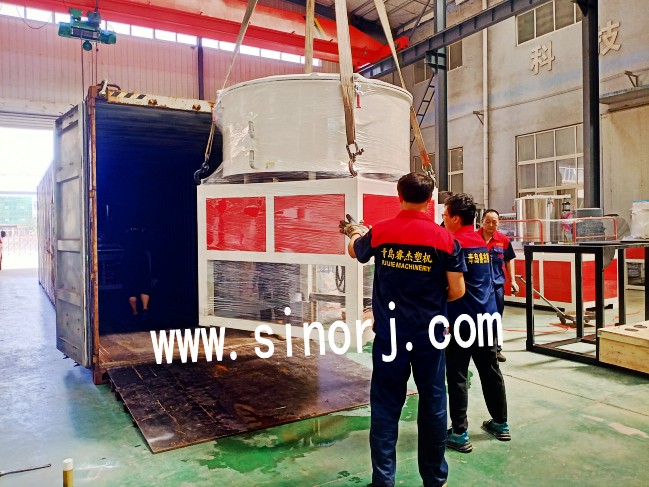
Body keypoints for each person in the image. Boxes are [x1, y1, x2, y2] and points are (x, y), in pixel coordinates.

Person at [340, 172, 465, 487]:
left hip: (390, 336)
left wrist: (355, 232)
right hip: (430, 336)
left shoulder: (382, 231)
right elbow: (457, 290)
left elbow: (355, 251)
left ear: (399, 196)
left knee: (385, 405)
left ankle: (383, 480)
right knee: (433, 402)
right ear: (430, 199)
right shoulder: (445, 239)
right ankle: (435, 479)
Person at [442, 193, 510, 453]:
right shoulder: (480, 243)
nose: (443, 218)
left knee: (457, 374)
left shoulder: (454, 244)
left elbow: (453, 287)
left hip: (463, 321)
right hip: (487, 318)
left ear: (455, 218)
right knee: (490, 370)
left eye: (445, 214)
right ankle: (501, 423)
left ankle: (459, 433)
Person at [478, 209, 519, 362]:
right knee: (477, 316)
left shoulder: (503, 240)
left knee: (496, 317)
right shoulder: (473, 238)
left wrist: (513, 280)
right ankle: (478, 349)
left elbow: (509, 260)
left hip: (496, 285)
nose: (491, 225)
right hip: (478, 286)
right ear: (482, 222)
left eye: (494, 222)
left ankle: (496, 350)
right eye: (488, 221)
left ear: (498, 223)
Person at [123, 226, 151, 321]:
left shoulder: (126, 236)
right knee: (144, 286)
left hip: (129, 263)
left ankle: (135, 312)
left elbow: (121, 245)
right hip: (142, 262)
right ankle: (145, 308)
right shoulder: (144, 235)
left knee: (131, 288)